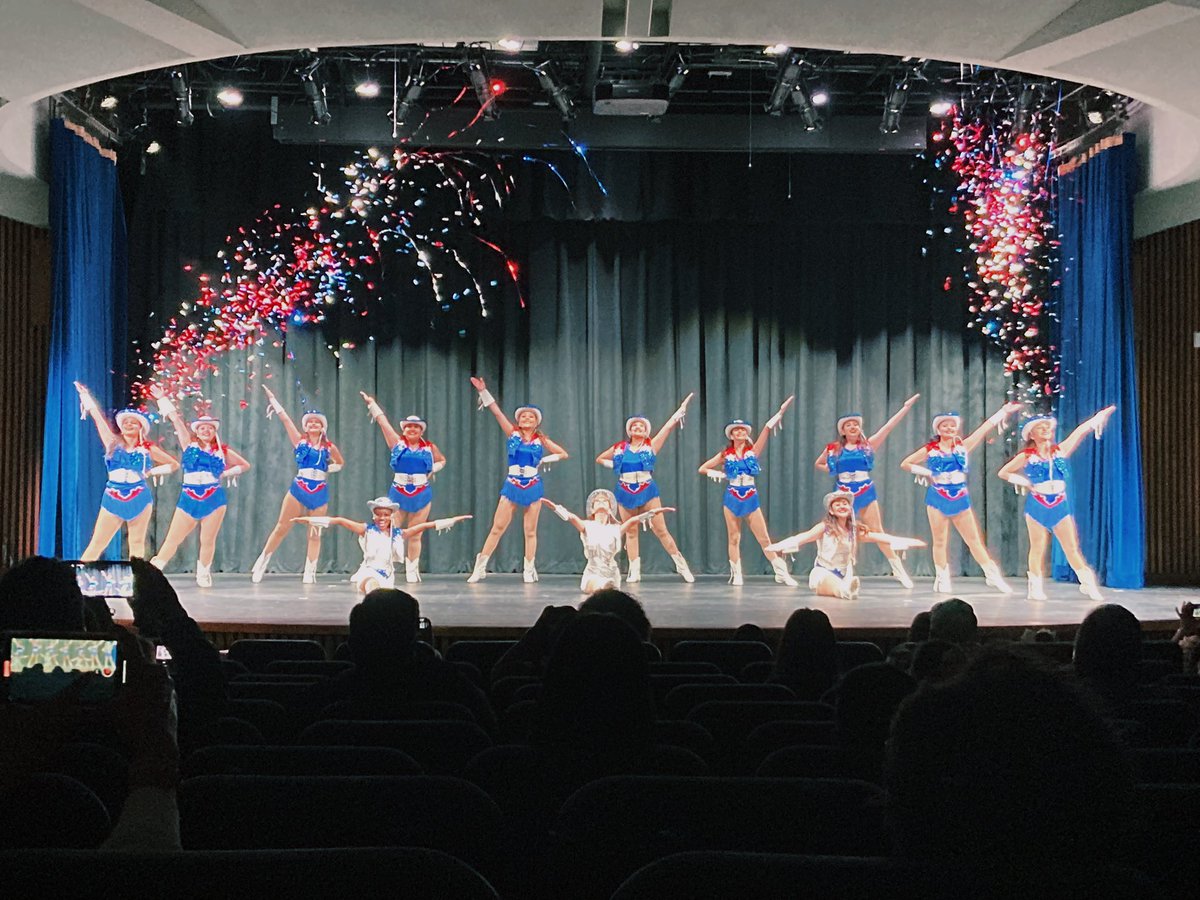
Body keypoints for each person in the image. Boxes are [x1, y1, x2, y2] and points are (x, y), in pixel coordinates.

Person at [997, 407, 1116, 602]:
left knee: (1071, 547)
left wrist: (1097, 418)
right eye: (1040, 428)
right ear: (1031, 434)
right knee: (1038, 547)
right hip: (1037, 505)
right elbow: (1003, 472)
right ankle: (1034, 587)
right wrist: (1023, 481)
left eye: (1047, 427)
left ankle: (1087, 583)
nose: (1045, 430)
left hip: (1059, 504)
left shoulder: (1060, 451)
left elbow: (1079, 432)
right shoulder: (1027, 456)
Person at [899, 403, 1021, 594]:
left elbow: (984, 429)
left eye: (952, 425)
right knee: (940, 540)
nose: (949, 428)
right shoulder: (930, 450)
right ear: (938, 429)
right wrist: (925, 472)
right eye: (944, 426)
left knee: (974, 540)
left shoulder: (963, 446)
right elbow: (905, 463)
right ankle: (942, 577)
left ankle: (992, 575)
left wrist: (1003, 412)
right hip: (938, 496)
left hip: (959, 496)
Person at [467, 376, 569, 584]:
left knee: (530, 530)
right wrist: (483, 392)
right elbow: (496, 411)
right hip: (513, 483)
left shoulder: (541, 440)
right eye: (523, 416)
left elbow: (563, 453)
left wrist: (544, 459)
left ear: (536, 421)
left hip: (533, 485)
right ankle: (480, 566)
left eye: (530, 416)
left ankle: (529, 568)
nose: (526, 418)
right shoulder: (512, 433)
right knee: (498, 527)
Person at [146, 387, 251, 587]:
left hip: (214, 498)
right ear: (196, 431)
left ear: (214, 432)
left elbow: (245, 465)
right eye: (202, 428)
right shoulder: (189, 446)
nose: (206, 430)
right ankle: (155, 568)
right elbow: (176, 421)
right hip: (189, 497)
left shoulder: (222, 451)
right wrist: (162, 398)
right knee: (173, 538)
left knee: (207, 539)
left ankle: (203, 572)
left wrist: (226, 474)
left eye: (209, 428)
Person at [815, 395, 920, 587]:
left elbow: (887, 427)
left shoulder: (867, 446)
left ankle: (898, 570)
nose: (854, 427)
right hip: (844, 494)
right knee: (845, 533)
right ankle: (846, 572)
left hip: (865, 490)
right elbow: (819, 464)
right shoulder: (834, 449)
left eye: (856, 424)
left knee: (877, 530)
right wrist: (835, 470)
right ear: (843, 430)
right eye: (849, 425)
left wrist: (904, 408)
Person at [249, 385, 344, 584]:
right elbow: (285, 419)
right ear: (305, 427)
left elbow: (341, 463)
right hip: (299, 487)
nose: (313, 425)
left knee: (315, 532)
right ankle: (262, 561)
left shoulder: (329, 447)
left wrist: (330, 469)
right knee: (282, 526)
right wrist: (273, 400)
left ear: (322, 427)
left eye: (317, 423)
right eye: (310, 423)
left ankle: (310, 571)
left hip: (319, 491)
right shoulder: (299, 442)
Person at [73, 382, 178, 561]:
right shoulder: (112, 443)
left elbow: (174, 464)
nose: (129, 425)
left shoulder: (148, 449)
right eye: (126, 422)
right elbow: (98, 420)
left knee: (137, 544)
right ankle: (75, 580)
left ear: (140, 428)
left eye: (133, 423)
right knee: (98, 543)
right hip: (113, 496)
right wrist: (86, 397)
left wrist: (151, 472)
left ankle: (138, 583)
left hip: (140, 496)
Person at [595, 395, 695, 583]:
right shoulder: (619, 448)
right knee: (631, 531)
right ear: (630, 431)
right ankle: (634, 570)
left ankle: (681, 565)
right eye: (634, 426)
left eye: (641, 426)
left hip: (647, 489)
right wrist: (616, 467)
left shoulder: (651, 446)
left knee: (661, 530)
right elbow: (600, 458)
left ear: (646, 431)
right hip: (624, 490)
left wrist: (680, 410)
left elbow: (667, 427)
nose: (637, 428)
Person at [698, 397, 796, 586]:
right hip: (732, 495)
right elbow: (702, 468)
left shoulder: (753, 452)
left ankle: (781, 573)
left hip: (750, 495)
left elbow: (767, 430)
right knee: (734, 537)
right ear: (731, 435)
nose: (740, 432)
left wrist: (781, 411)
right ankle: (737, 574)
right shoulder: (725, 454)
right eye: (737, 431)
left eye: (743, 430)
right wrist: (715, 473)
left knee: (764, 537)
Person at [292, 498, 470, 593]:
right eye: (379, 515)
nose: (382, 518)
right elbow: (339, 521)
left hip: (388, 576)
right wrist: (308, 519)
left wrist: (453, 520)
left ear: (391, 516)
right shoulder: (366, 530)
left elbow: (426, 526)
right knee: (372, 587)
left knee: (384, 601)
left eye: (386, 515)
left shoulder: (399, 535)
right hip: (368, 573)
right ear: (374, 517)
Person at [767, 492, 925, 599]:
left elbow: (881, 537)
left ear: (850, 509)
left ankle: (846, 588)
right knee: (831, 585)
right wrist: (779, 545)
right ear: (831, 510)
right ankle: (845, 590)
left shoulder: (854, 531)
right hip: (823, 572)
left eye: (845, 504)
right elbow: (802, 537)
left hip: (844, 573)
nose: (842, 506)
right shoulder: (824, 528)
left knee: (840, 584)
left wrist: (908, 541)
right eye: (838, 505)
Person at [359, 391, 446, 583]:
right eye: (409, 427)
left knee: (416, 534)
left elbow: (442, 460)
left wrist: (434, 468)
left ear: (421, 430)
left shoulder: (429, 447)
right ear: (404, 429)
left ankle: (412, 569)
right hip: (398, 492)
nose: (412, 429)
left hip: (421, 492)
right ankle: (375, 565)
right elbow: (383, 422)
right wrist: (372, 404)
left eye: (416, 427)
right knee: (387, 532)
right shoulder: (396, 444)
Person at [541, 490, 675, 592]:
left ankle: (608, 587)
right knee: (596, 587)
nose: (601, 502)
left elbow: (634, 520)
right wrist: (555, 508)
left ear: (610, 508)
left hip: (611, 572)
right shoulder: (586, 526)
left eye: (604, 501)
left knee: (608, 590)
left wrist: (653, 512)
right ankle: (602, 588)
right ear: (592, 508)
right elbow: (571, 517)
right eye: (597, 501)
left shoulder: (616, 529)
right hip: (593, 572)